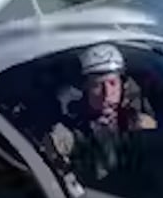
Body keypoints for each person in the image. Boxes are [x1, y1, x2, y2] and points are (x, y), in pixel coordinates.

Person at [42, 44, 156, 185]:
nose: (107, 94)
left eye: (113, 83)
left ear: (123, 84)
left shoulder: (138, 116)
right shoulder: (70, 132)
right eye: (97, 85)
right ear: (85, 89)